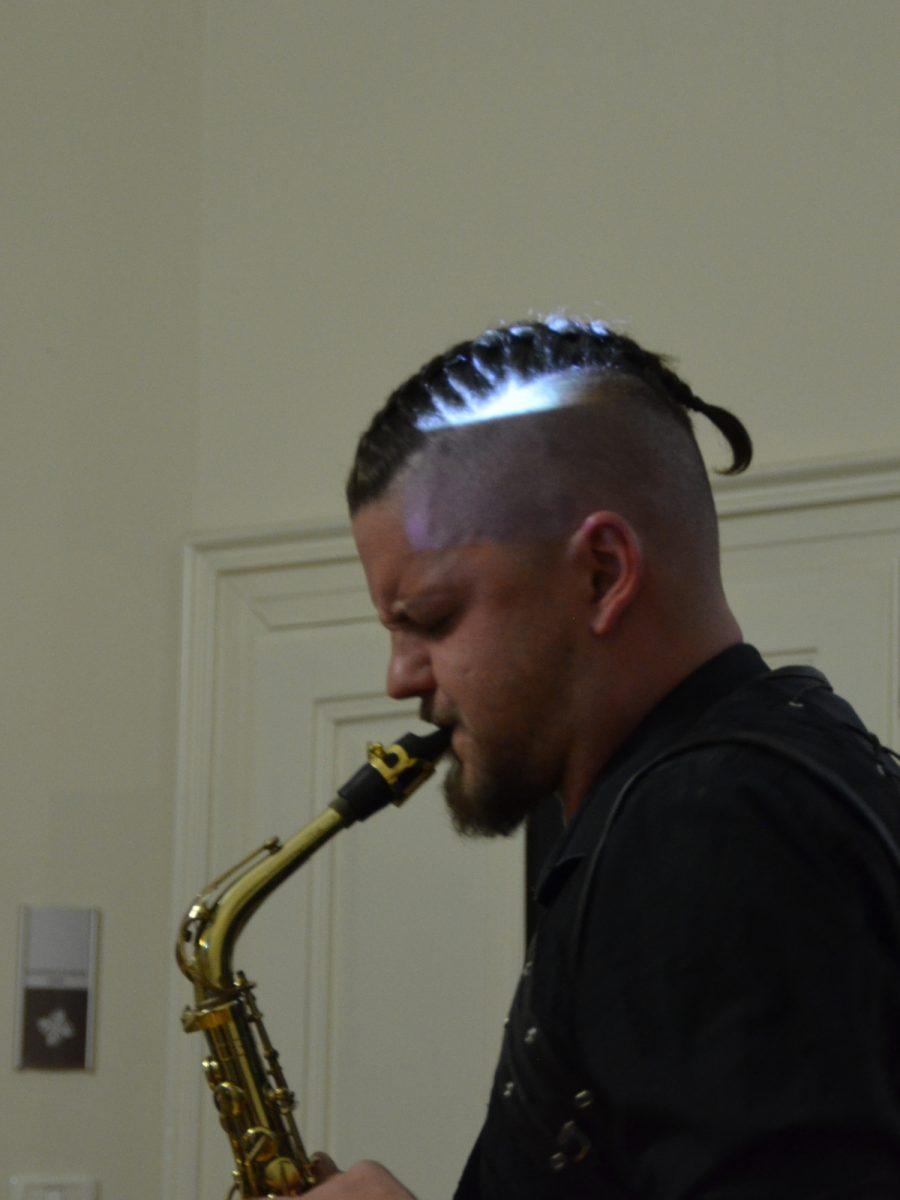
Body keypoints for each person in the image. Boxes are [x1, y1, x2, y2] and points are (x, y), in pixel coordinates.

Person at [307, 318, 900, 1198]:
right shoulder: (780, 766)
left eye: (430, 618)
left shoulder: (707, 824)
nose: (400, 678)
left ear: (603, 572)